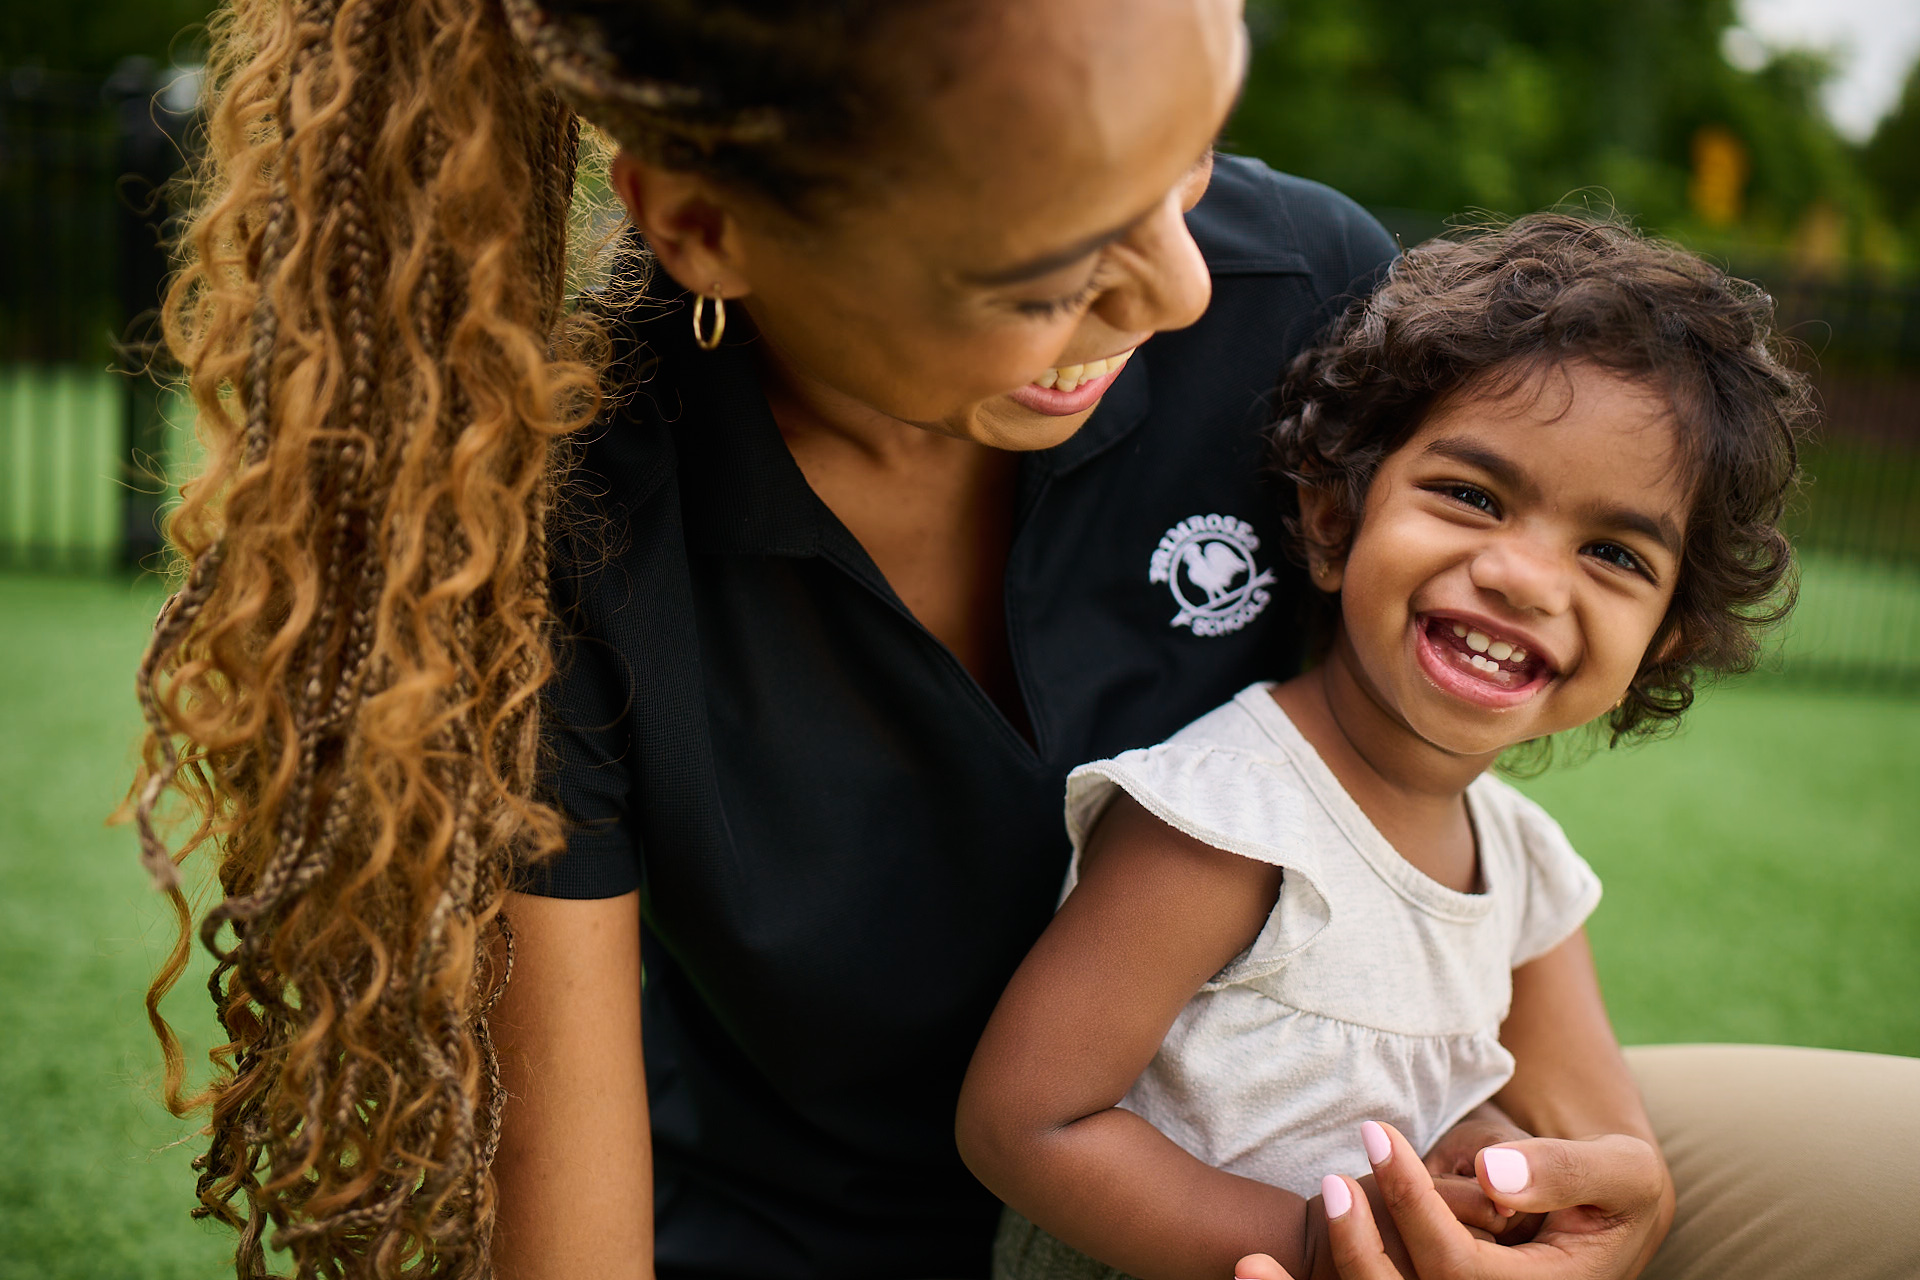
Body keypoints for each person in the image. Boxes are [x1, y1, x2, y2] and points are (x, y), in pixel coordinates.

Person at [127, 2, 1920, 1279]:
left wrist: (1581, 1209)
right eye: (1053, 259)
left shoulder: (1305, 308)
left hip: (1350, 1167)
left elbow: (1432, 817)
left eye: (1193, 159)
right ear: (708, 226)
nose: (1185, 286)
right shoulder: (559, 545)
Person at [954, 213, 1803, 1280]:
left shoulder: (1522, 866)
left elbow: (1607, 1149)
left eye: (1612, 552)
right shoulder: (1229, 819)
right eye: (1470, 495)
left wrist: (1513, 1173)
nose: (1526, 578)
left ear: (1662, 637)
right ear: (1333, 515)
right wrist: (1321, 1242)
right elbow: (1023, 1124)